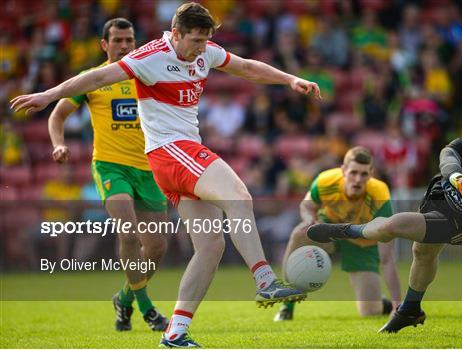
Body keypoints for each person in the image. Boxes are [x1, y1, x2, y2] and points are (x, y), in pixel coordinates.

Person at [11, 3, 321, 347]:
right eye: (195, 40)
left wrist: (290, 78)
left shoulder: (206, 52)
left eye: (206, 40)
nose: (201, 48)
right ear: (175, 34)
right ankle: (264, 278)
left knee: (210, 247)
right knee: (239, 197)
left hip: (174, 159)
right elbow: (97, 77)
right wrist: (50, 94)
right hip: (170, 152)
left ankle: (175, 333)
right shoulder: (152, 56)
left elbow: (247, 68)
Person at [307, 126, 462, 333]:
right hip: (436, 201)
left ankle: (341, 231)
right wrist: (460, 181)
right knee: (423, 254)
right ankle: (410, 310)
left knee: (393, 225)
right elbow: (447, 161)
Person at [47, 18, 169, 332]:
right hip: (111, 166)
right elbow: (57, 115)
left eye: (129, 40)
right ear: (105, 44)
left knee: (156, 247)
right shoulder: (93, 79)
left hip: (149, 169)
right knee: (128, 233)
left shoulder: (148, 75)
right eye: (117, 41)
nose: (124, 46)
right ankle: (147, 308)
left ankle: (125, 298)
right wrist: (58, 145)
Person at [274, 146, 402, 322]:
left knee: (370, 311)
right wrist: (310, 220)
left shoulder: (380, 195)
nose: (358, 179)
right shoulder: (326, 181)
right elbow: (307, 206)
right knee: (299, 233)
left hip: (363, 244)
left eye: (364, 174)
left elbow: (387, 258)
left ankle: (384, 303)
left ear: (371, 173)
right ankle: (287, 306)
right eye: (353, 172)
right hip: (329, 231)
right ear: (343, 170)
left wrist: (398, 306)